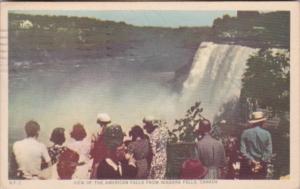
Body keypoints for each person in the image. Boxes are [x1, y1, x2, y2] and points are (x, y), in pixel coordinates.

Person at [240, 111, 272, 179]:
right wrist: (260, 163)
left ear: (252, 122)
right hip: (262, 167)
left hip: (247, 166)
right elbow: (269, 152)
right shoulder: (267, 134)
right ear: (262, 122)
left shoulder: (245, 133)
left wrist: (252, 161)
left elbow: (242, 151)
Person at [90, 113, 111, 178]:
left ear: (99, 122)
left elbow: (92, 148)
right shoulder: (111, 131)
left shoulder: (95, 132)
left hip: (98, 158)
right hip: (109, 158)